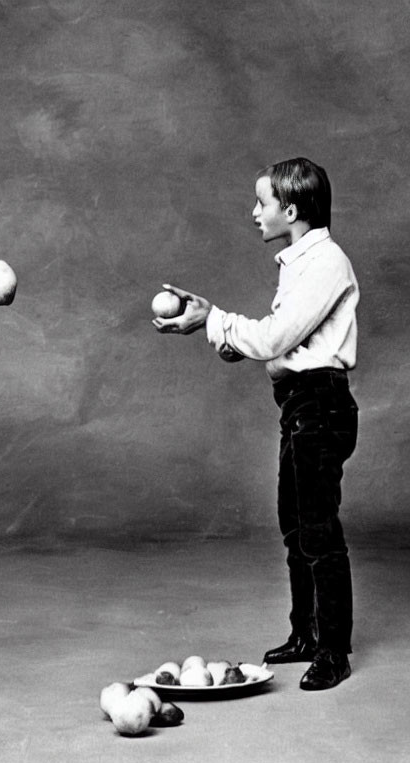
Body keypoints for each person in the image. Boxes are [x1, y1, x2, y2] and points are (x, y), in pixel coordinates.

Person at [153, 157, 359, 691]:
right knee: (295, 528)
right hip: (299, 407)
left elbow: (275, 339)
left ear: (291, 209)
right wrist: (223, 338)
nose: (254, 213)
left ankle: (334, 652)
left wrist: (215, 321)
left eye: (262, 203)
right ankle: (306, 635)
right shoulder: (299, 262)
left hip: (321, 406)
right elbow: (284, 347)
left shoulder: (327, 261)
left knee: (318, 532)